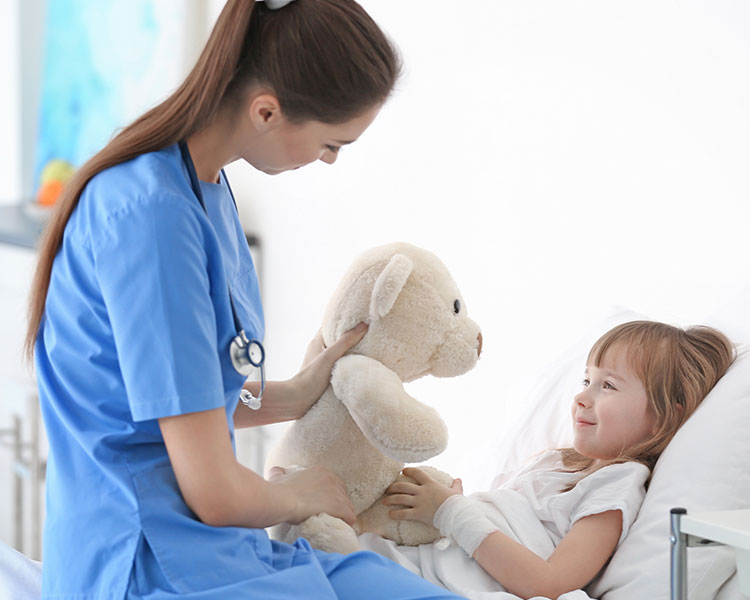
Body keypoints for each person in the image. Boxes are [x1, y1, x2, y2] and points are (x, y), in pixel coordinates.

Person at [24, 1, 465, 598]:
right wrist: (305, 490)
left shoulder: (203, 186)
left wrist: (298, 392)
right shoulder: (152, 217)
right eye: (332, 144)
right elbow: (214, 492)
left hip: (209, 543)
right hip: (145, 560)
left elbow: (185, 398)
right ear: (267, 111)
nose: (329, 162)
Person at [368, 321, 735, 599]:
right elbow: (505, 524)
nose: (581, 397)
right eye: (586, 380)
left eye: (608, 385)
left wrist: (451, 513)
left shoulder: (617, 482)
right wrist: (458, 504)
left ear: (663, 415)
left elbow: (551, 583)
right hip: (417, 559)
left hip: (428, 581)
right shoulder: (558, 462)